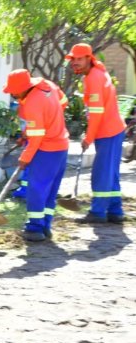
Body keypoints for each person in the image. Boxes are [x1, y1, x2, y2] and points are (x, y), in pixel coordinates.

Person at [2, 69, 69, 242]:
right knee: (50, 190)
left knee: (36, 189)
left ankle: (34, 228)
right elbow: (63, 102)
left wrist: (25, 156)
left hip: (46, 149)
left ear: (23, 88)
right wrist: (34, 128)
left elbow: (37, 137)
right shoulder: (48, 86)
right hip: (62, 146)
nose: (13, 95)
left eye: (14, 92)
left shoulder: (32, 103)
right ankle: (45, 226)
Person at [66, 43, 127, 223]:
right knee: (110, 172)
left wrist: (89, 137)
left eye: (79, 59)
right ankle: (115, 211)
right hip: (114, 130)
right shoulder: (98, 73)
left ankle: (98, 212)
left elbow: (96, 112)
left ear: (88, 58)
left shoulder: (93, 78)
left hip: (108, 132)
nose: (75, 63)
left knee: (102, 172)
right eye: (73, 59)